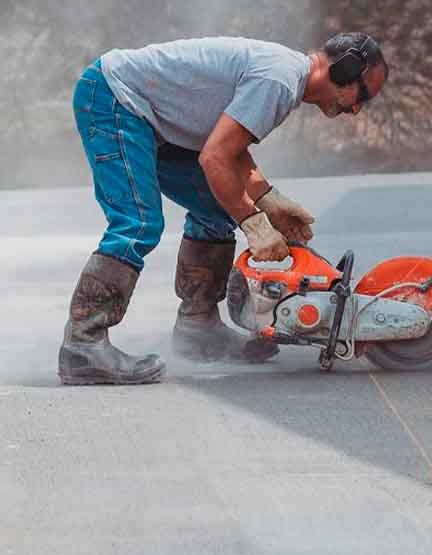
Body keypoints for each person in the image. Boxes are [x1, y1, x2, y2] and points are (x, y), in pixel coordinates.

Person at [58, 32, 388, 386]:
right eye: (362, 95)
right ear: (345, 69)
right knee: (137, 222)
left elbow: (230, 147)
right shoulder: (279, 81)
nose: (356, 109)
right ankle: (83, 343)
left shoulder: (285, 78)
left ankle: (198, 329)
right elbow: (214, 157)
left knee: (215, 210)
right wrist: (252, 222)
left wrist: (267, 200)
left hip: (149, 117)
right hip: (116, 99)